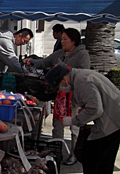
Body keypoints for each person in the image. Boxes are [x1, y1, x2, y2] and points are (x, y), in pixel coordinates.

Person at [24, 28, 90, 165]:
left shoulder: (82, 55)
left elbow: (85, 74)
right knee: (57, 124)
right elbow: (44, 63)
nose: (63, 41)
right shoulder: (59, 53)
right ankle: (56, 152)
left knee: (75, 125)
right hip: (60, 95)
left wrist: (64, 67)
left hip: (75, 97)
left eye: (66, 39)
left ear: (74, 41)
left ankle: (74, 154)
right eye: (62, 39)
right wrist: (32, 60)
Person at [45, 64, 120, 174]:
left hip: (111, 123)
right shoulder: (81, 76)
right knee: (104, 162)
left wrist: (74, 120)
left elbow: (95, 109)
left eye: (59, 85)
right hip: (114, 120)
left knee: (92, 159)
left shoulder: (82, 81)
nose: (61, 88)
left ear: (64, 79)